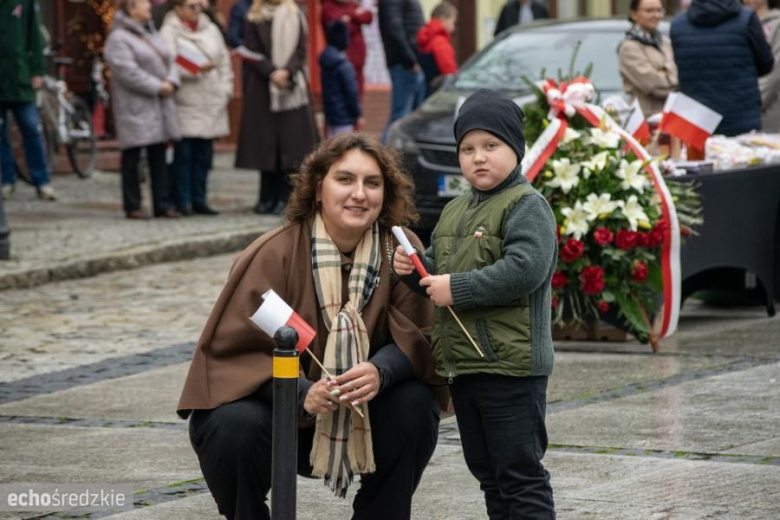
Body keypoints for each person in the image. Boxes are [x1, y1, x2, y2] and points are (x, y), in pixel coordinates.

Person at [177, 133, 449, 520]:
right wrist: (299, 392)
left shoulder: (401, 252)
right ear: (317, 189)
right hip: (280, 420)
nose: (360, 194)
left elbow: (423, 336)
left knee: (415, 406)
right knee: (229, 425)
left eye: (372, 183)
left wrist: (381, 371)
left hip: (365, 415)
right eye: (345, 179)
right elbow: (230, 358)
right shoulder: (272, 253)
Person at [393, 88, 558, 519]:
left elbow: (524, 271)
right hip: (465, 366)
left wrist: (459, 288)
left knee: (519, 473)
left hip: (511, 367)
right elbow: (435, 281)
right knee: (487, 472)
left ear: (516, 151)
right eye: (467, 148)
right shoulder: (454, 211)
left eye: (491, 146)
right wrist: (412, 271)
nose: (478, 157)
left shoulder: (526, 205)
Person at [235, 0, 319, 215]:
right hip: (262, 89)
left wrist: (286, 72)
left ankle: (287, 199)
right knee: (265, 147)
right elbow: (251, 51)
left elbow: (301, 51)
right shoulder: (254, 16)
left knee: (292, 148)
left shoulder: (296, 14)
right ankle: (265, 198)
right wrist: (272, 72)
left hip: (292, 91)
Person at [105, 0, 181, 219]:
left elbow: (170, 61)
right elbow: (127, 72)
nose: (149, 5)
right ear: (131, 8)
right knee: (132, 155)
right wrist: (159, 87)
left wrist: (172, 82)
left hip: (160, 104)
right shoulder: (118, 38)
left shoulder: (152, 33)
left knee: (158, 155)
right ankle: (133, 205)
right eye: (143, 3)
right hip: (136, 106)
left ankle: (162, 203)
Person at [161, 0, 234, 216]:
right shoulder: (169, 31)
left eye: (200, 6)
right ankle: (184, 201)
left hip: (211, 100)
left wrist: (226, 90)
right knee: (184, 156)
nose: (197, 10)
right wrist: (195, 68)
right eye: (192, 6)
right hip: (186, 101)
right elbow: (168, 63)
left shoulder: (211, 29)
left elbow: (224, 61)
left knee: (204, 155)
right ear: (179, 8)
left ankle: (200, 199)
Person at [671, 0, 774, 136]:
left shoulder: (678, 23)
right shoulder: (746, 18)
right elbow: (766, 64)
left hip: (695, 120)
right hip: (741, 116)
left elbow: (681, 65)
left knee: (697, 157)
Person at [0, 0, 56, 201]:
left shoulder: (24, 2)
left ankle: (42, 181)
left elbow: (34, 36)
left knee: (31, 128)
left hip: (20, 77)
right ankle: (7, 181)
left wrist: (37, 70)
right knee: (1, 135)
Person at [618, 0, 678, 118]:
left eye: (659, 10)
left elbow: (681, 72)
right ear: (634, 14)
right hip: (644, 118)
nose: (656, 15)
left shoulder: (665, 42)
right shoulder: (629, 47)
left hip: (669, 115)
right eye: (649, 11)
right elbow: (653, 85)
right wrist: (672, 73)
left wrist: (665, 72)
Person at [378, 0, 426, 142]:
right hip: (405, 65)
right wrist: (411, 60)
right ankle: (384, 159)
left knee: (411, 120)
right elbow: (393, 29)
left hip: (411, 64)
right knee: (400, 119)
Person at [321, 0, 373, 97]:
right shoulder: (328, 7)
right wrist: (356, 16)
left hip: (358, 61)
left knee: (357, 95)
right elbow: (341, 29)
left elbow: (368, 17)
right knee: (343, 95)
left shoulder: (351, 4)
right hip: (341, 61)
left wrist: (350, 17)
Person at [320, 21, 362, 138]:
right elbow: (351, 92)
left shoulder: (325, 62)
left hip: (330, 116)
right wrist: (358, 114)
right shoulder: (344, 65)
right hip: (345, 117)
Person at [744, 0, 780, 132]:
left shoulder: (777, 24)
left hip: (768, 115)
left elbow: (773, 75)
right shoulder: (738, 23)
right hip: (741, 114)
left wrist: (750, 103)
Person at [417, 2, 458, 98]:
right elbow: (449, 71)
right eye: (453, 22)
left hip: (427, 91)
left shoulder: (426, 37)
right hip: (439, 92)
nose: (453, 28)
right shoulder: (440, 41)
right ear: (443, 19)